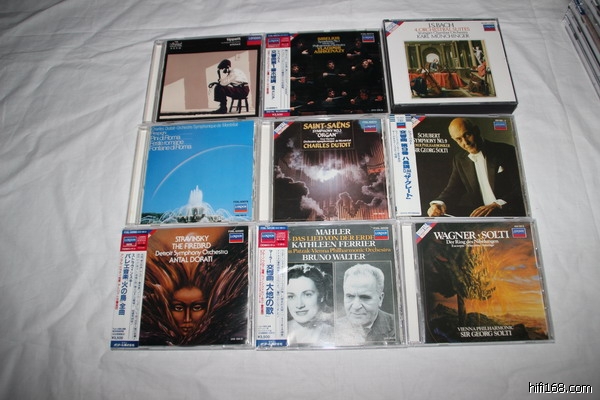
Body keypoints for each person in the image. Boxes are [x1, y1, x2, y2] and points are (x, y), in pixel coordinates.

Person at [427, 117, 525, 217]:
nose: (465, 142)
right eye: (459, 139)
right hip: (482, 219)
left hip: (510, 214)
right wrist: (438, 204)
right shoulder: (459, 160)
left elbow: (521, 188)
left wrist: (497, 204)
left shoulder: (507, 151)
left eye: (467, 135)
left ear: (476, 130)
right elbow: (453, 189)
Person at [335, 263, 396, 344]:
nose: (356, 306)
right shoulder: (333, 327)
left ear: (380, 299)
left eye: (365, 297)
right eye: (350, 296)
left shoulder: (397, 326)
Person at [286, 264, 334, 345]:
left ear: (322, 296)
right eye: (291, 296)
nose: (299, 305)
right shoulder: (278, 330)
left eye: (307, 295)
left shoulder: (334, 333)